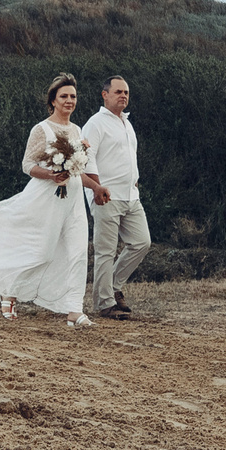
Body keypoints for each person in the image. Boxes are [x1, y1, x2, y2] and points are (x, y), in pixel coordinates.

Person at [0, 73, 109, 328]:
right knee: (40, 251)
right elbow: (27, 164)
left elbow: (76, 171)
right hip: (46, 197)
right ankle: (8, 289)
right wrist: (51, 174)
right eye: (64, 96)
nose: (69, 101)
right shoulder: (42, 129)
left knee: (78, 251)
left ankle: (74, 310)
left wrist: (95, 186)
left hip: (72, 199)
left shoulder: (77, 130)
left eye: (73, 96)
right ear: (53, 100)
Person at [82, 74, 151, 320]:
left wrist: (134, 179)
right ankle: (104, 303)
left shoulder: (127, 123)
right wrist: (96, 188)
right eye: (118, 92)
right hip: (106, 196)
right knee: (105, 251)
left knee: (141, 242)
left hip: (131, 196)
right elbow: (86, 159)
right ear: (105, 95)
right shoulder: (96, 123)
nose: (123, 96)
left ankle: (112, 286)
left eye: (126, 93)